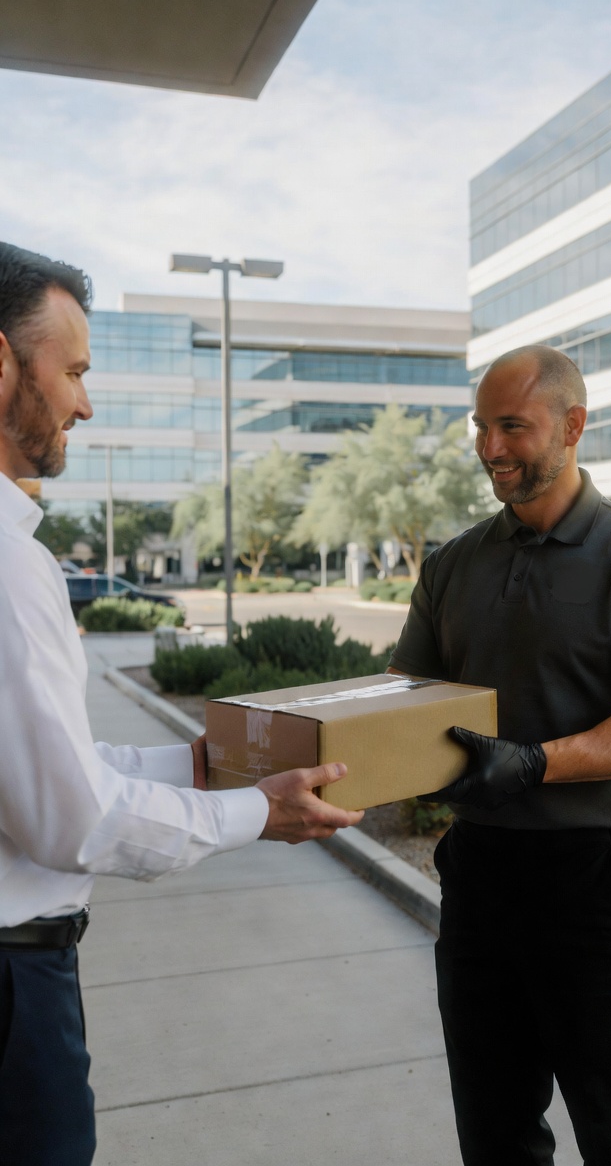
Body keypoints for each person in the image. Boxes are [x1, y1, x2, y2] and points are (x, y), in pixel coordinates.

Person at [0, 242, 364, 1166]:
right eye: (73, 372)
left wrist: (194, 766)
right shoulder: (8, 566)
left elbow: (39, 768)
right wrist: (257, 811)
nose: (85, 403)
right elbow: (72, 818)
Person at [389, 344, 611, 1166]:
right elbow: (403, 699)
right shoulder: (452, 564)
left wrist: (535, 763)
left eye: (513, 427)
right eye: (481, 427)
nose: (491, 448)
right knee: (493, 1128)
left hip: (591, 879)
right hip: (480, 873)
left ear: (572, 426)